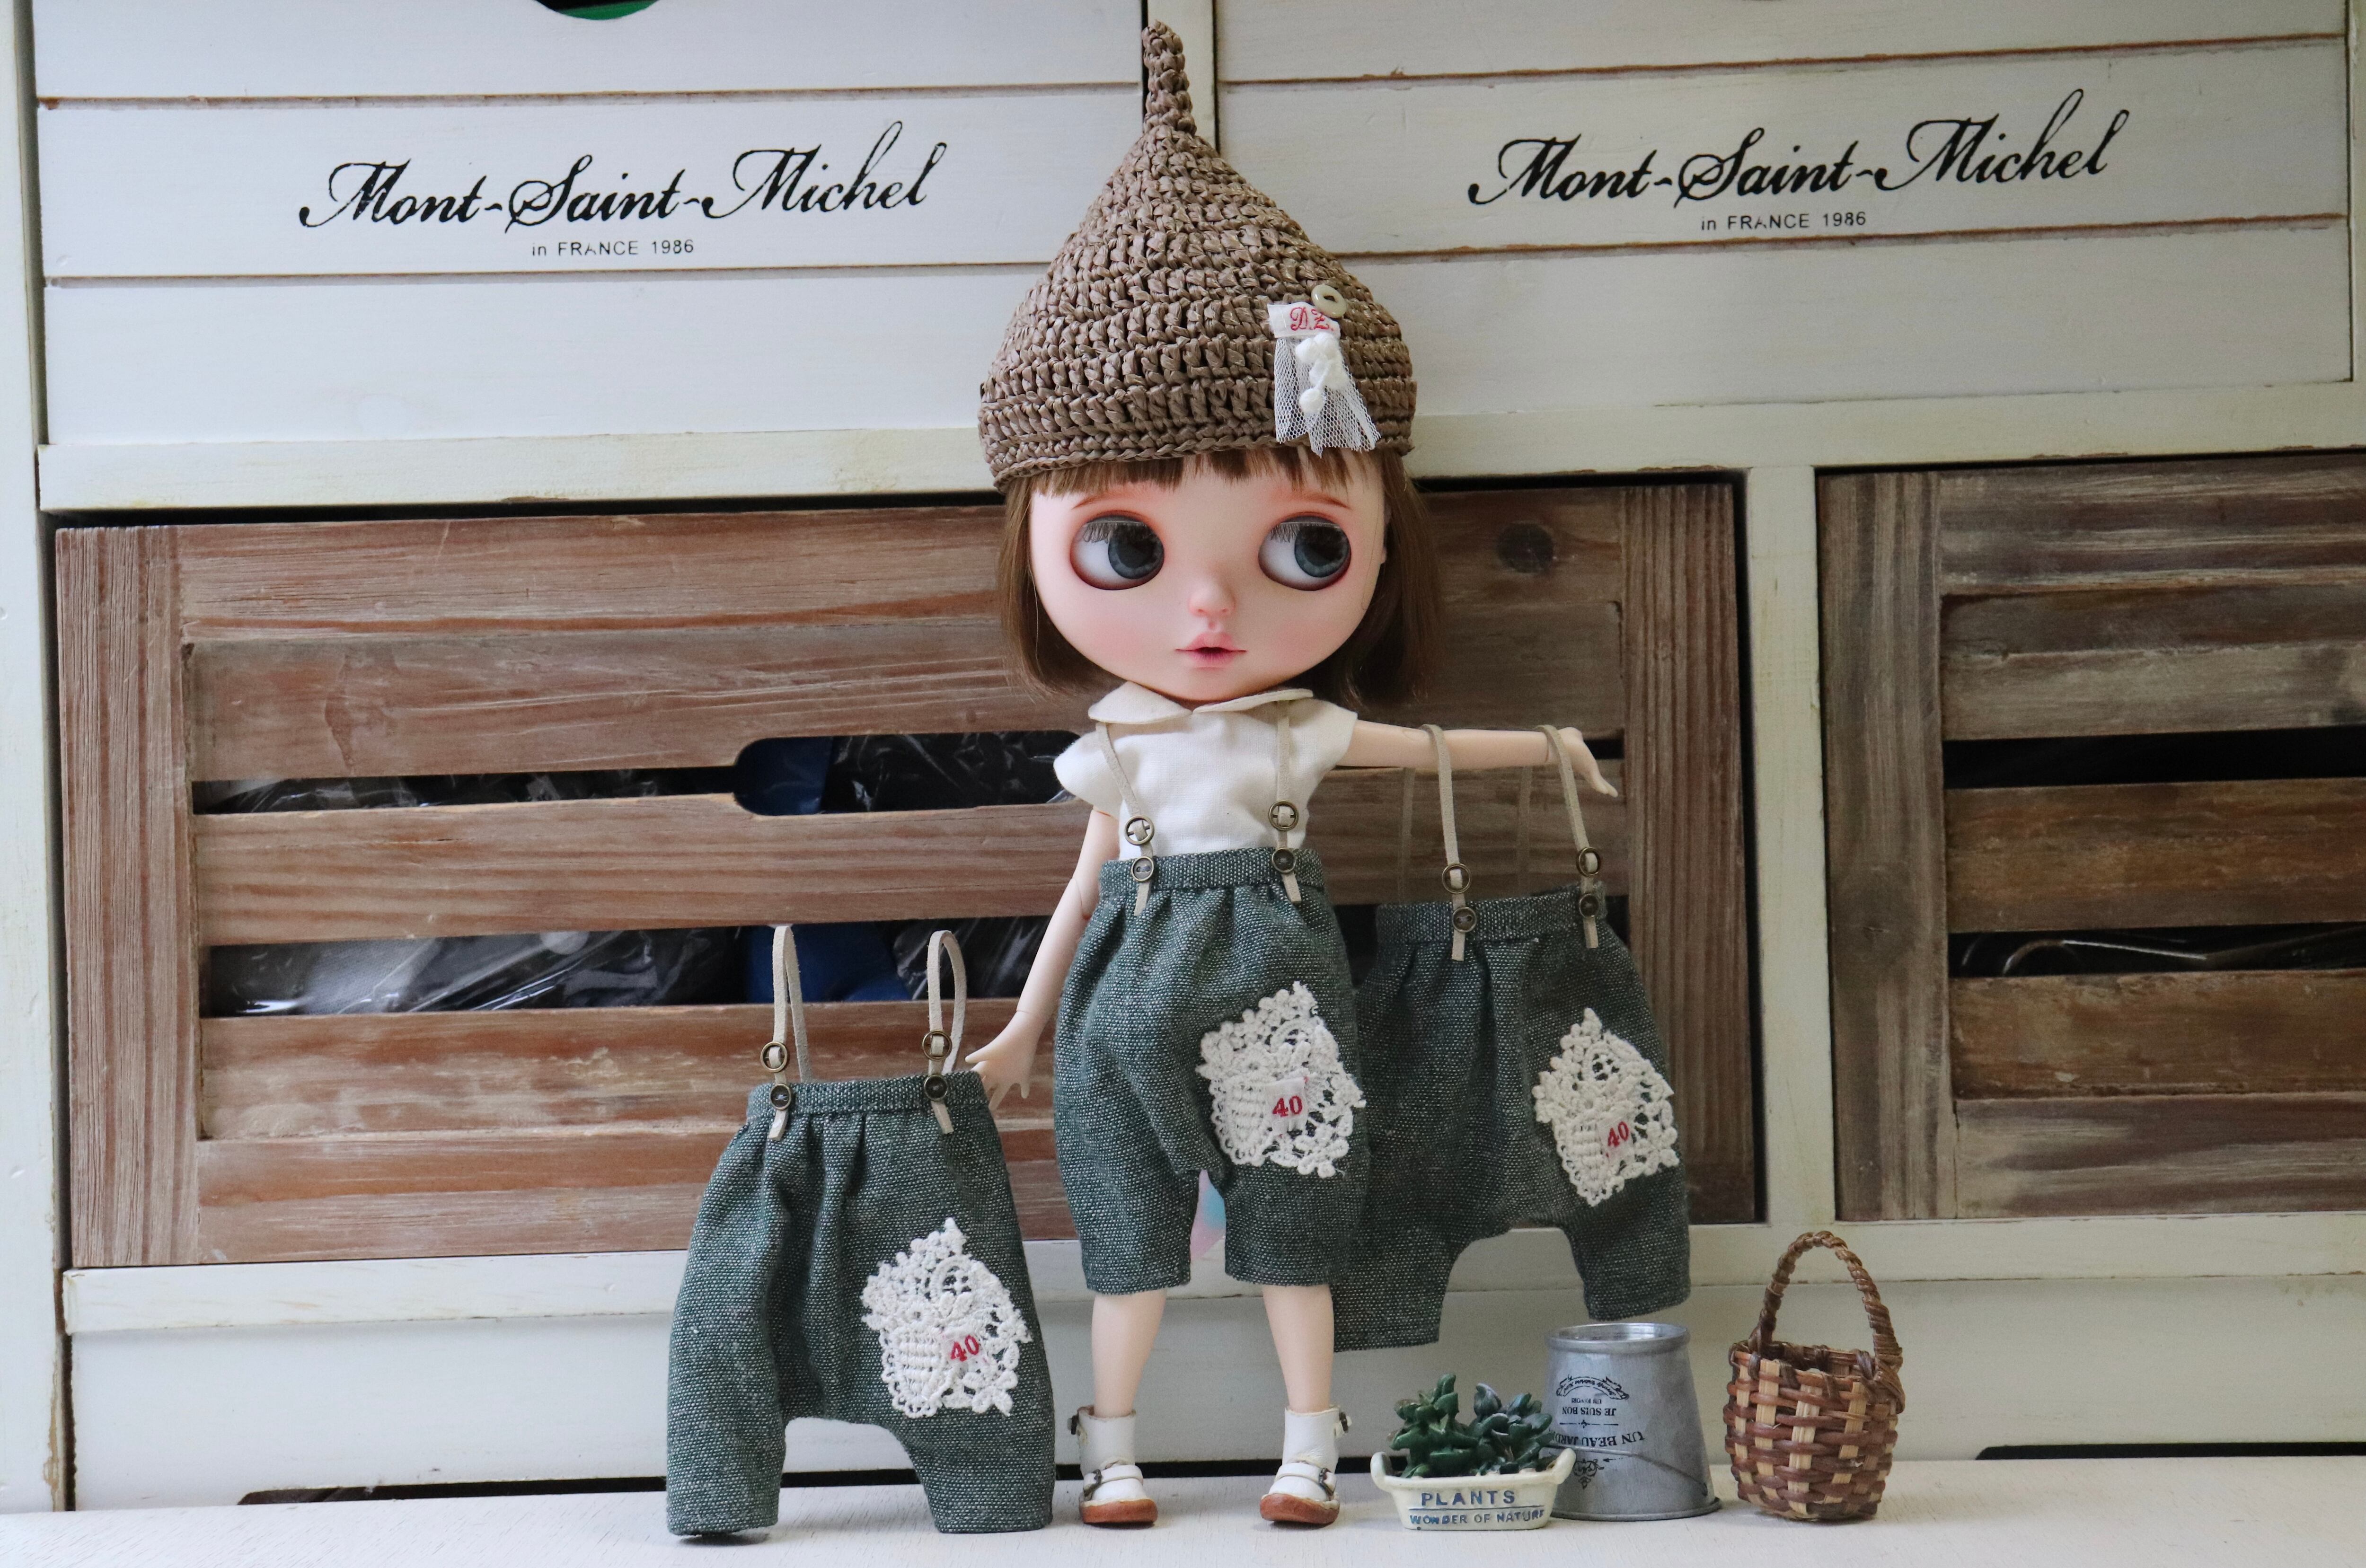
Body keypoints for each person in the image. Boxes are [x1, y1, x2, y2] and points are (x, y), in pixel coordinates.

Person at [963, 26, 1612, 1528]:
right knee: (1123, 1225)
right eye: (1126, 547)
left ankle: (1308, 1440)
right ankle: (1113, 1445)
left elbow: (1424, 751)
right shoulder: (1123, 743)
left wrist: (1552, 748)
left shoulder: (1294, 729)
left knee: (1296, 1211)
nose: (1207, 609)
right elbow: (1086, 884)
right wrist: (1022, 1026)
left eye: (1306, 546)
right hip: (1127, 996)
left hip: (1278, 995)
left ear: (1380, 547)